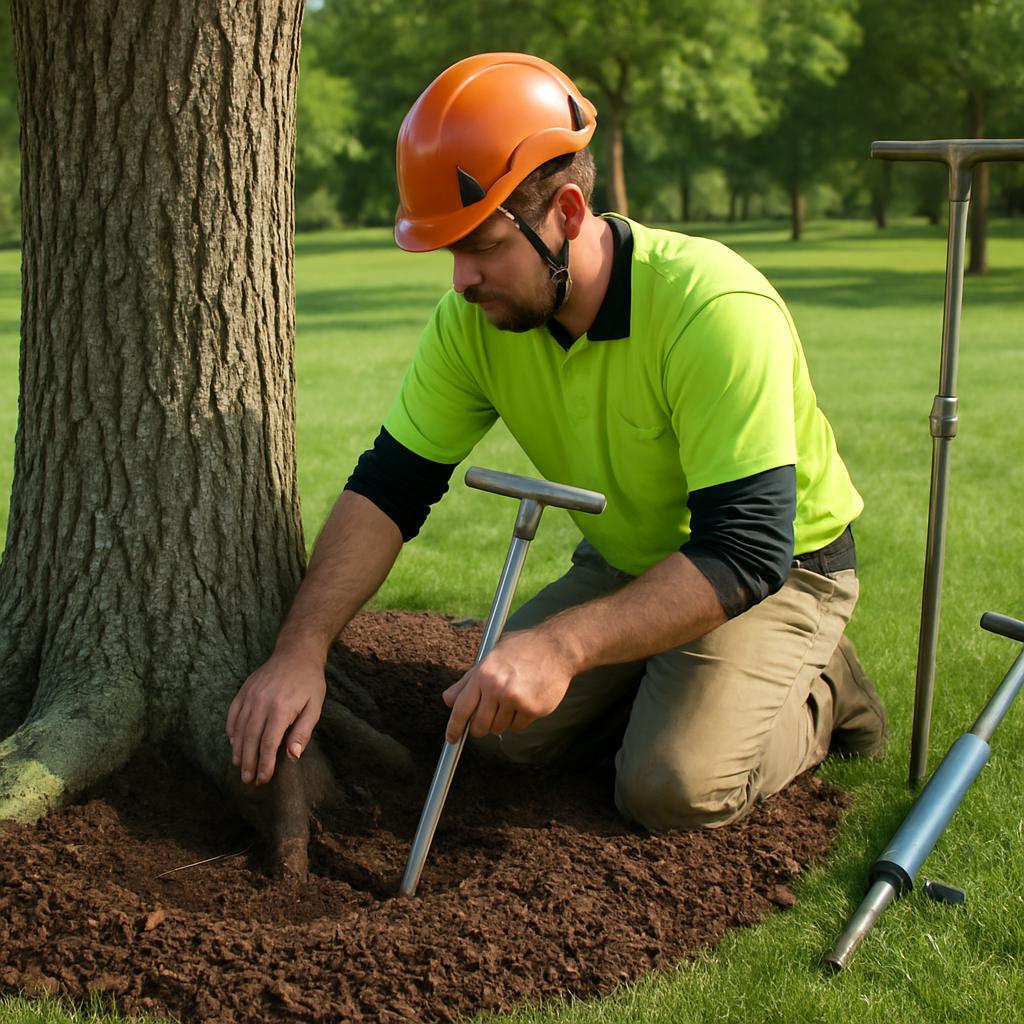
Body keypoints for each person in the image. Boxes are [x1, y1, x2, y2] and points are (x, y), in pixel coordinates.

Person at [228, 52, 887, 832]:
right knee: (493, 734)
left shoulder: (714, 308)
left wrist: (565, 649)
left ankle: (824, 686)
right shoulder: (473, 325)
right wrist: (301, 648)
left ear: (567, 214)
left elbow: (746, 548)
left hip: (776, 572)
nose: (460, 281)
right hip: (630, 561)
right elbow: (390, 486)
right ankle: (662, 677)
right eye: (449, 251)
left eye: (481, 246)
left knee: (668, 787)